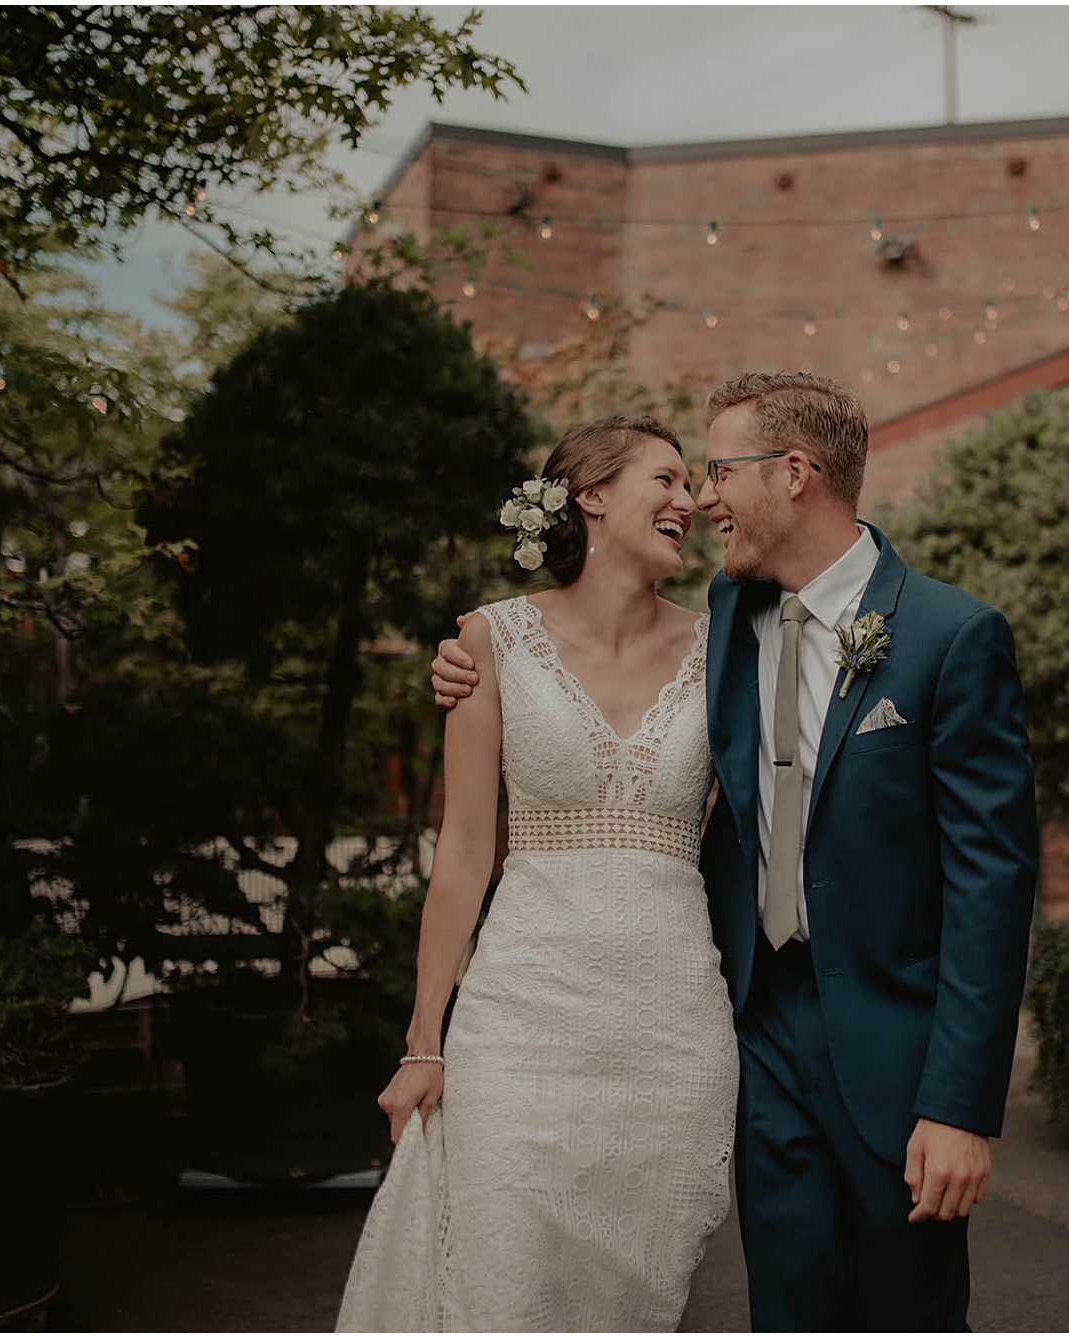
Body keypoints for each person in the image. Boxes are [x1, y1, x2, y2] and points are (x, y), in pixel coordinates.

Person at [431, 372, 1040, 1331]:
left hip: (893, 1053)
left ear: (794, 472)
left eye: (719, 471)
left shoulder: (946, 637)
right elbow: (587, 645)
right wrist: (472, 657)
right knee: (786, 1310)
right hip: (753, 1034)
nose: (704, 498)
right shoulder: (729, 621)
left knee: (907, 1314)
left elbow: (991, 887)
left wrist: (961, 1104)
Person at [337, 415, 737, 1332]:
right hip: (522, 1022)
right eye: (668, 480)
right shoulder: (487, 640)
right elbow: (466, 851)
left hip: (672, 1032)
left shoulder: (729, 650)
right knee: (505, 1280)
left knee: (637, 1298)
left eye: (693, 487)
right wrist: (424, 1041)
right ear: (591, 496)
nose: (690, 502)